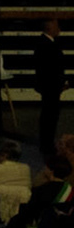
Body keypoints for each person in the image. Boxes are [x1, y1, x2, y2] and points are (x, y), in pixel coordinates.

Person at [40, 18, 69, 161]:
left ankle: (47, 143)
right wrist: (60, 82)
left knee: (49, 115)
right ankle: (47, 145)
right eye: (57, 26)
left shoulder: (48, 44)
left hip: (50, 85)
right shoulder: (46, 45)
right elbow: (52, 69)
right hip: (50, 85)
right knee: (49, 115)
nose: (60, 29)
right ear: (50, 28)